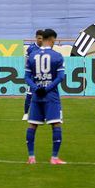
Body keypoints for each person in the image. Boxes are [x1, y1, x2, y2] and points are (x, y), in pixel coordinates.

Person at [24, 29, 66, 165]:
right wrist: (46, 89)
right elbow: (60, 77)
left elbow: (26, 77)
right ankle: (54, 157)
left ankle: (31, 157)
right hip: (51, 96)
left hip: (37, 96)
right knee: (56, 123)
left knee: (32, 124)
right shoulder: (57, 56)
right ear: (53, 40)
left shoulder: (32, 55)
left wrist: (37, 89)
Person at [22, 30, 44, 121]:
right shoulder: (31, 48)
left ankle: (42, 114)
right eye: (39, 38)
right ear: (36, 37)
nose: (40, 40)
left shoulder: (45, 48)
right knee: (29, 95)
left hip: (42, 76)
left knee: (43, 95)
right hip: (32, 77)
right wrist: (27, 74)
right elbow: (26, 62)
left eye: (42, 38)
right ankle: (26, 113)